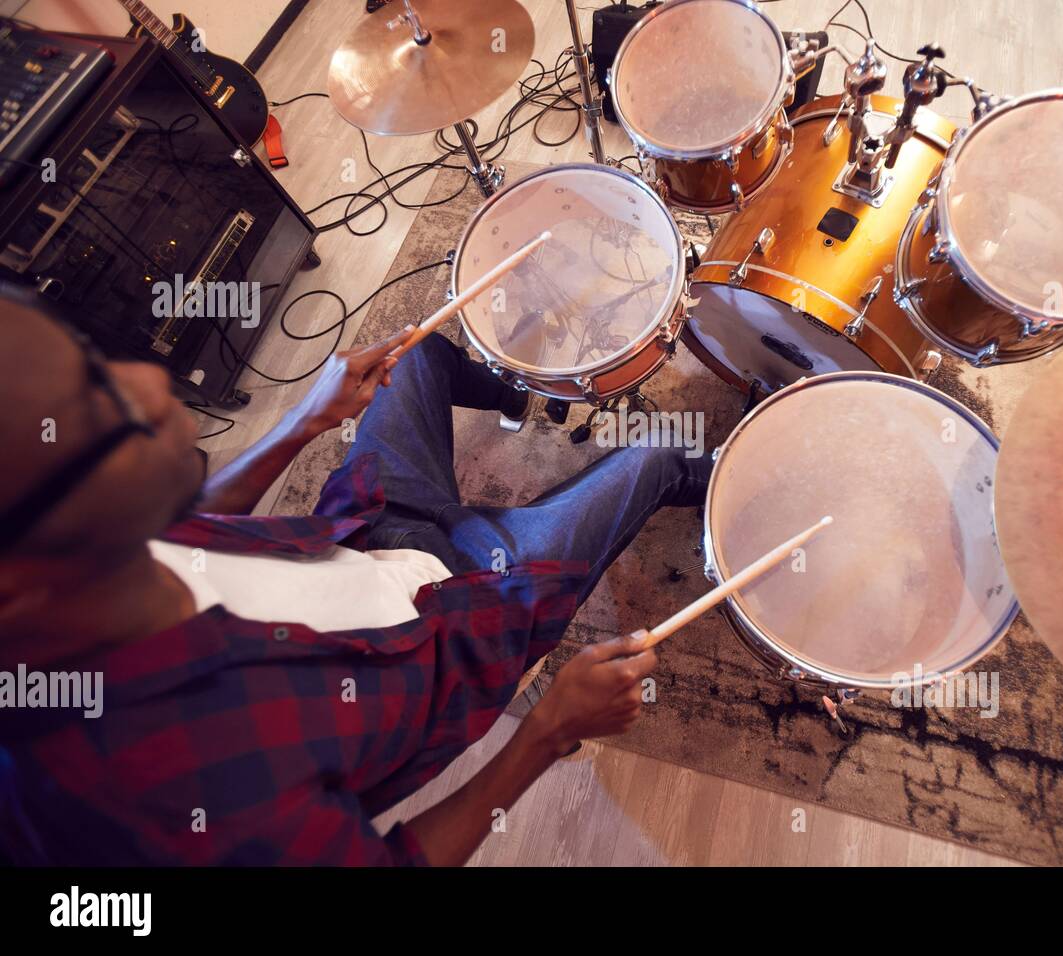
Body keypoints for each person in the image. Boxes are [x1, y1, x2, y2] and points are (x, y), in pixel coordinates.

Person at [0, 287, 711, 865]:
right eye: (100, 411)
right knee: (651, 455)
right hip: (465, 620)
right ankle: (745, 484)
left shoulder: (68, 565)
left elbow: (184, 527)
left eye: (97, 363)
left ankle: (516, 401)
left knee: (419, 356)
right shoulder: (179, 811)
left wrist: (304, 423)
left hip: (362, 526)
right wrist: (545, 734)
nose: (153, 385)